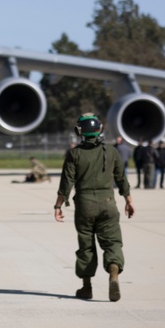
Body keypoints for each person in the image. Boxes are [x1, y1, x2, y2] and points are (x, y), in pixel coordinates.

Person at [54, 113, 133, 302]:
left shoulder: (75, 154)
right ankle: (114, 270)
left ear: (79, 132)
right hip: (108, 204)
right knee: (112, 242)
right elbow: (122, 179)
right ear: (99, 130)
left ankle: (86, 287)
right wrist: (128, 200)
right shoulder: (112, 151)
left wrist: (58, 206)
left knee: (86, 246)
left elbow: (66, 183)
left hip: (85, 205)